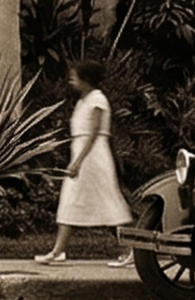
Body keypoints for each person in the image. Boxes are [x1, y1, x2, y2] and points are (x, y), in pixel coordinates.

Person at [37, 58, 133, 266]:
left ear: (87, 79)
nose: (72, 80)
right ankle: (58, 251)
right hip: (82, 153)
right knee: (69, 201)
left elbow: (94, 133)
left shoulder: (98, 99)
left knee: (109, 202)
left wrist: (79, 161)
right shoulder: (84, 100)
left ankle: (129, 250)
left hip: (94, 156)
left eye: (75, 76)